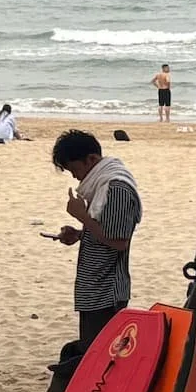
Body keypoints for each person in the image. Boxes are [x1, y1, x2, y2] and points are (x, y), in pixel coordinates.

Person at [51, 129, 141, 346]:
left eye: (74, 169)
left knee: (100, 353)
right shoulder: (102, 184)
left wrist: (82, 215)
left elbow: (119, 241)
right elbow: (108, 229)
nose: (74, 176)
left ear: (91, 159)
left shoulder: (115, 187)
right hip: (93, 288)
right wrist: (80, 233)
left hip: (106, 290)